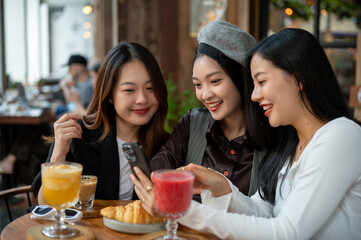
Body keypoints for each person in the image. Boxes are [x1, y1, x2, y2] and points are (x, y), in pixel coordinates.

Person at [135, 28, 361, 239]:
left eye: (262, 81)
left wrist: (180, 209)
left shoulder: (340, 136)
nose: (254, 95)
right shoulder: (292, 144)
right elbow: (263, 213)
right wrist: (221, 186)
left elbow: (286, 232)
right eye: (253, 84)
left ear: (299, 78)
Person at [31, 41, 169, 202]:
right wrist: (59, 154)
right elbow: (46, 203)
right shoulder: (79, 135)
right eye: (129, 90)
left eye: (150, 88)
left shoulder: (166, 145)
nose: (142, 99)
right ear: (109, 94)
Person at [142, 20, 261, 203]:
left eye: (215, 81)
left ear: (241, 78)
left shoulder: (272, 135)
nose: (205, 95)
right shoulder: (193, 123)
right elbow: (156, 173)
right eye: (198, 84)